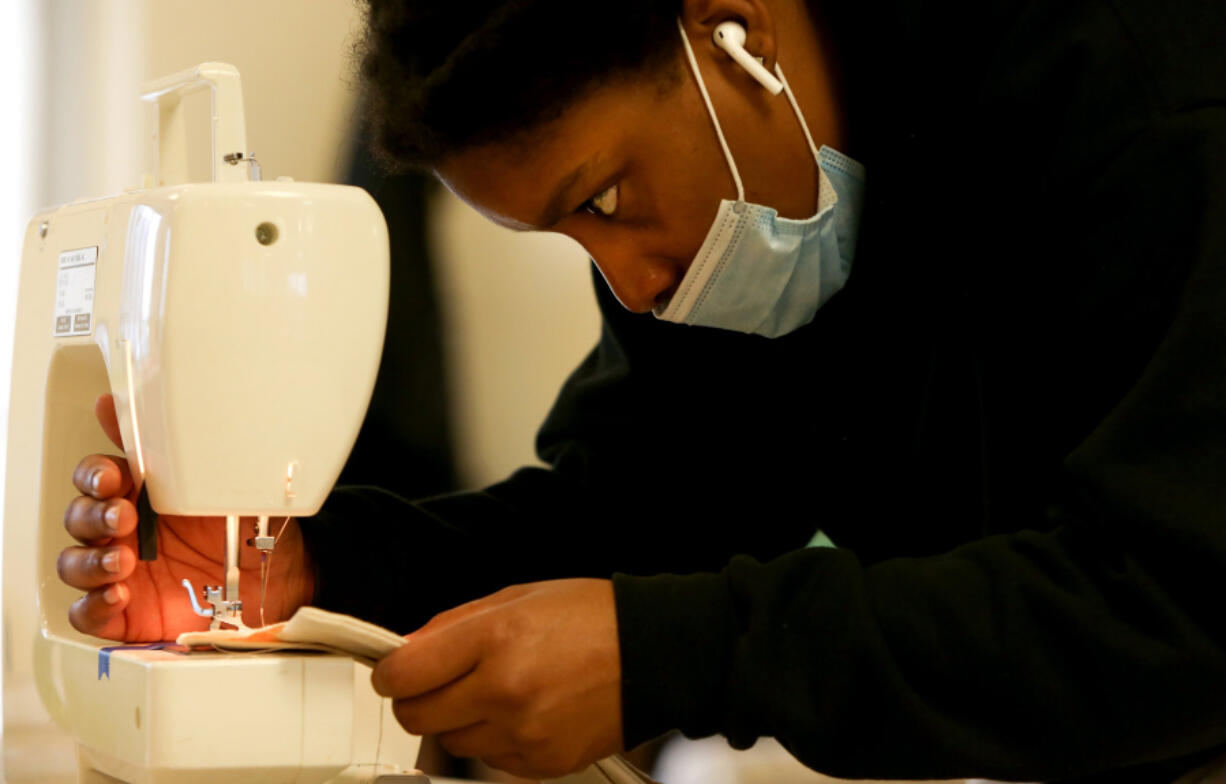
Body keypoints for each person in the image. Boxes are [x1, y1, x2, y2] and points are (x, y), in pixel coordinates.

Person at [57, 0, 1226, 781]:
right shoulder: (721, 242)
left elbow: (1175, 612)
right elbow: (633, 515)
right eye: (566, 239)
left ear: (732, 34)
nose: (631, 283)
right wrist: (313, 568)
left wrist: (677, 654)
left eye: (604, 200)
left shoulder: (1150, 97)